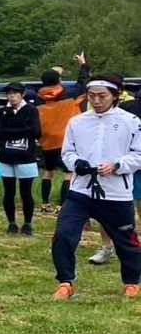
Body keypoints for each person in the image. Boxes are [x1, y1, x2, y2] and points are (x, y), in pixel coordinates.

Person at [51, 73, 141, 301]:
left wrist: (118, 165)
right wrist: (76, 163)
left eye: (102, 96)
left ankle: (132, 282)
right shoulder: (77, 122)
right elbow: (67, 152)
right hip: (81, 191)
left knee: (126, 240)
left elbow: (138, 155)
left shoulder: (131, 122)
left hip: (116, 193)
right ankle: (65, 282)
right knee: (63, 235)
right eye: (92, 96)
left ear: (115, 96)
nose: (96, 100)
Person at [37, 53, 90, 213]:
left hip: (47, 140)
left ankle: (45, 204)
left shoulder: (39, 98)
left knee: (48, 172)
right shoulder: (69, 94)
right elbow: (83, 83)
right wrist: (83, 65)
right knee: (69, 172)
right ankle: (62, 205)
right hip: (65, 139)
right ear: (59, 80)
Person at [0, 81, 42, 236]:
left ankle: (27, 223)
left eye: (15, 93)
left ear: (22, 94)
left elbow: (36, 131)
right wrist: (22, 128)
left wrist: (11, 130)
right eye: (9, 94)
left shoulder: (31, 110)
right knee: (9, 192)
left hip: (26, 157)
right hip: (6, 157)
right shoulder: (2, 112)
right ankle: (11, 223)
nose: (12, 96)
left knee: (26, 192)